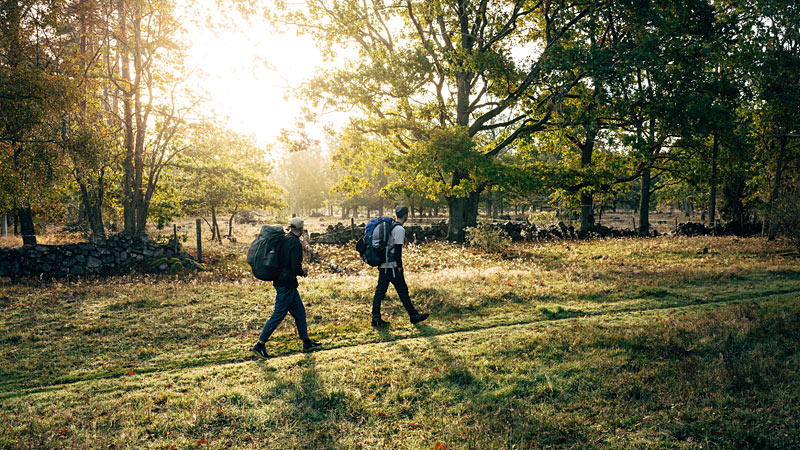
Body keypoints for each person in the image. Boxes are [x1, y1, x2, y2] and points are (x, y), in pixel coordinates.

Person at [252, 218, 321, 357]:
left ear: (291, 228)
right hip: (286, 284)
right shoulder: (295, 244)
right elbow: (295, 267)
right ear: (301, 230)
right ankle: (259, 345)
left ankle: (306, 342)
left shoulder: (285, 238)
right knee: (278, 315)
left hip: (283, 282)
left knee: (300, 312)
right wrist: (303, 272)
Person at [371, 206, 429, 327]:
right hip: (392, 266)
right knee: (403, 291)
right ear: (405, 215)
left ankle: (375, 317)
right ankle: (413, 316)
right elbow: (398, 250)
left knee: (379, 291)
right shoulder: (399, 230)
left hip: (383, 264)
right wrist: (399, 266)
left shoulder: (390, 226)